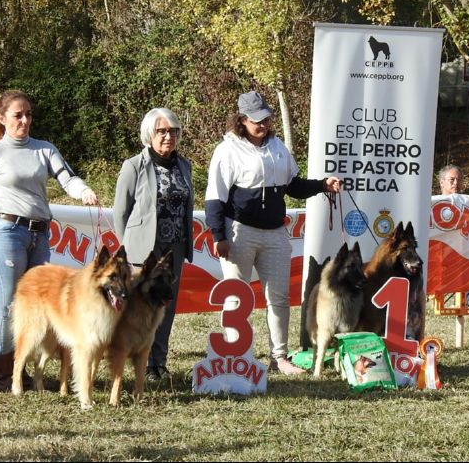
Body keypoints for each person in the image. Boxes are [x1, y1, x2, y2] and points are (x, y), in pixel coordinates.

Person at [0, 90, 99, 391]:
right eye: (17, 115)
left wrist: (84, 191)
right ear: (2, 118)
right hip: (6, 233)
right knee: (8, 304)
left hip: (40, 235)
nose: (25, 120)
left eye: (28, 115)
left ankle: (27, 371)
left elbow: (67, 178)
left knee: (38, 303)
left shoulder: (44, 149)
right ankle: (4, 377)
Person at [205, 91, 341, 375]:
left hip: (275, 233)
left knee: (278, 297)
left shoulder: (278, 146)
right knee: (236, 295)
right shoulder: (226, 150)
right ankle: (235, 355)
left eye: (266, 119)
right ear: (241, 120)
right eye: (256, 120)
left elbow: (293, 185)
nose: (262, 124)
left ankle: (279, 357)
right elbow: (215, 198)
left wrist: (322, 185)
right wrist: (218, 236)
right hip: (239, 230)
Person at [113, 108, 193, 382]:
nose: (168, 136)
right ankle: (133, 362)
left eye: (173, 131)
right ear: (150, 134)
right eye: (162, 131)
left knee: (165, 306)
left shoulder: (185, 166)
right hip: (142, 250)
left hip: (175, 249)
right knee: (138, 308)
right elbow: (121, 212)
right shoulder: (133, 165)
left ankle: (158, 363)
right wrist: (128, 249)